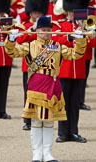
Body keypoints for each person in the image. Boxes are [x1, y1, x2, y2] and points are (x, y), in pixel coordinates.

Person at [5, 16, 87, 162]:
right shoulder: (30, 46)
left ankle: (47, 153)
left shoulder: (57, 46)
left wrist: (80, 40)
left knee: (49, 121)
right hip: (36, 86)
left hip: (52, 86)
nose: (46, 32)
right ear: (37, 31)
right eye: (43, 30)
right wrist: (10, 40)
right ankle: (37, 154)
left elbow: (76, 54)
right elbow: (13, 52)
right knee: (36, 122)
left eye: (49, 30)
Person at [52, 0, 90, 143]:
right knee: (63, 103)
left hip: (79, 70)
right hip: (64, 69)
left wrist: (85, 31)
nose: (74, 14)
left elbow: (93, 43)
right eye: (72, 11)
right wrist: (70, 36)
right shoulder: (60, 25)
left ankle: (73, 131)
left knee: (74, 103)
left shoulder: (85, 26)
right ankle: (62, 132)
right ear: (67, 11)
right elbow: (55, 40)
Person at [16, 0, 49, 130]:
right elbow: (19, 40)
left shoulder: (47, 26)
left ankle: (41, 118)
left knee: (43, 92)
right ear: (30, 12)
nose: (37, 14)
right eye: (35, 12)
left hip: (44, 62)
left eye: (39, 12)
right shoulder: (25, 26)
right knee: (29, 93)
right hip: (30, 64)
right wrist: (31, 30)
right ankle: (28, 120)